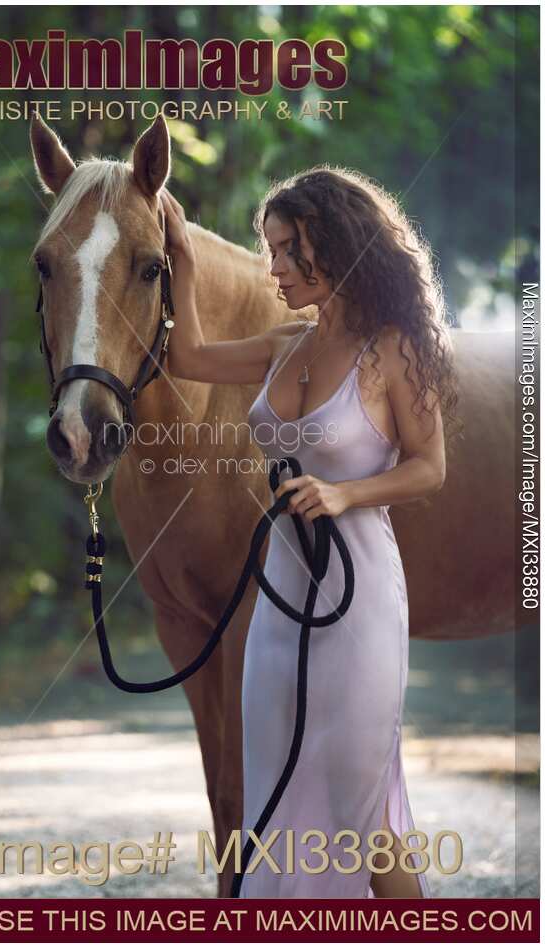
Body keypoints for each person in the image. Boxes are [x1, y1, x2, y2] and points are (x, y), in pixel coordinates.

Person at [160, 166, 457, 898]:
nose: (275, 268)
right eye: (269, 249)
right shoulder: (285, 342)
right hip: (280, 607)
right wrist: (186, 260)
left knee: (364, 806)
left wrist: (345, 491)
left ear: (334, 240)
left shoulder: (393, 350)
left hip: (359, 608)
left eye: (289, 248)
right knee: (272, 789)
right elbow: (187, 358)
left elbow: (430, 468)